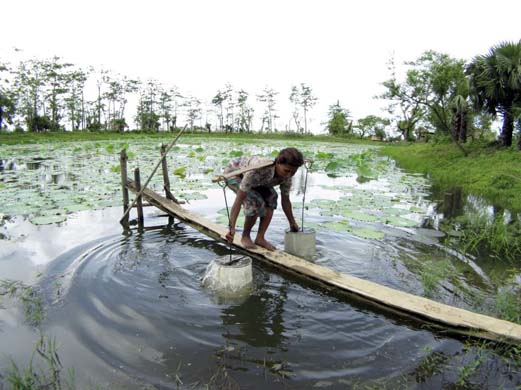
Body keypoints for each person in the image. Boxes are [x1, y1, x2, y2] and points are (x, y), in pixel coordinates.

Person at [223, 147, 304, 251]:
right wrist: (232, 227)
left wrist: (292, 222)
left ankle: (260, 238)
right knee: (255, 201)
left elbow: (285, 201)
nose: (289, 175)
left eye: (293, 172)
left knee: (272, 197)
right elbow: (239, 200)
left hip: (259, 180)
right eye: (286, 171)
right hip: (235, 173)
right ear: (278, 163)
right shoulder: (257, 171)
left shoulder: (287, 176)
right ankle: (245, 236)